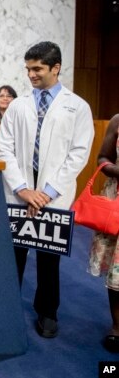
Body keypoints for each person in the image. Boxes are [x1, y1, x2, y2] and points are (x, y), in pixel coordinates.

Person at [0, 41, 93, 338]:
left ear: (56, 67)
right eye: (28, 69)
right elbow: (4, 147)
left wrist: (47, 192)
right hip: (19, 193)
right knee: (14, 253)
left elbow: (79, 153)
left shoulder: (77, 107)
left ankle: (48, 311)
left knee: (49, 258)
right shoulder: (18, 105)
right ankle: (7, 310)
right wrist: (24, 189)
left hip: (55, 195)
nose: (31, 75)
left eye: (37, 68)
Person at [88, 115, 119, 353]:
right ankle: (117, 327)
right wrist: (115, 170)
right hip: (116, 202)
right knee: (116, 270)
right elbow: (102, 157)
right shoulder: (118, 120)